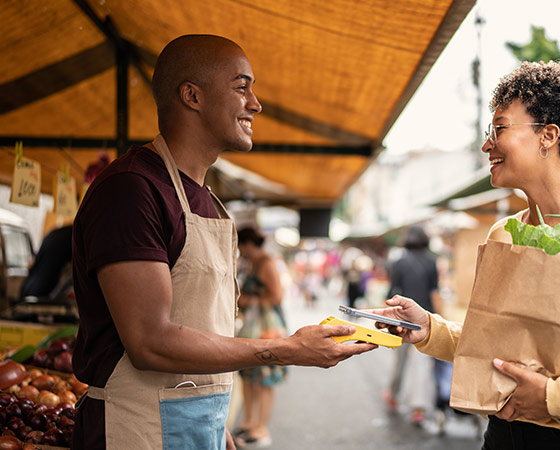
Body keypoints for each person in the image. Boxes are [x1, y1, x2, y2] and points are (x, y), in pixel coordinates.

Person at [71, 34, 376, 450]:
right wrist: (286, 350)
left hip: (200, 421)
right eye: (241, 86)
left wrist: (216, 424)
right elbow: (150, 343)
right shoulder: (131, 189)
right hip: (134, 429)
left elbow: (198, 327)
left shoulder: (210, 202)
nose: (256, 103)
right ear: (192, 96)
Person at [371, 61, 560, 450]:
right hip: (505, 436)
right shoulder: (503, 233)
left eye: (499, 128)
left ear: (548, 136)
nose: (487, 144)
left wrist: (558, 397)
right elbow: (498, 344)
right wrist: (430, 330)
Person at [234, 227, 287, 447]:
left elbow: (277, 297)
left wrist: (249, 301)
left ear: (248, 244)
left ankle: (261, 427)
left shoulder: (266, 263)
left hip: (266, 326)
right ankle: (249, 422)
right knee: (248, 374)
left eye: (240, 246)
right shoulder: (253, 263)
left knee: (264, 377)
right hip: (254, 325)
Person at [382, 225, 439, 425]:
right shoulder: (432, 262)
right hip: (426, 319)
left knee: (400, 360)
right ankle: (418, 408)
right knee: (422, 364)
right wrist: (440, 318)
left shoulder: (398, 263)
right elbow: (434, 293)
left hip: (402, 319)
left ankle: (393, 394)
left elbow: (391, 294)